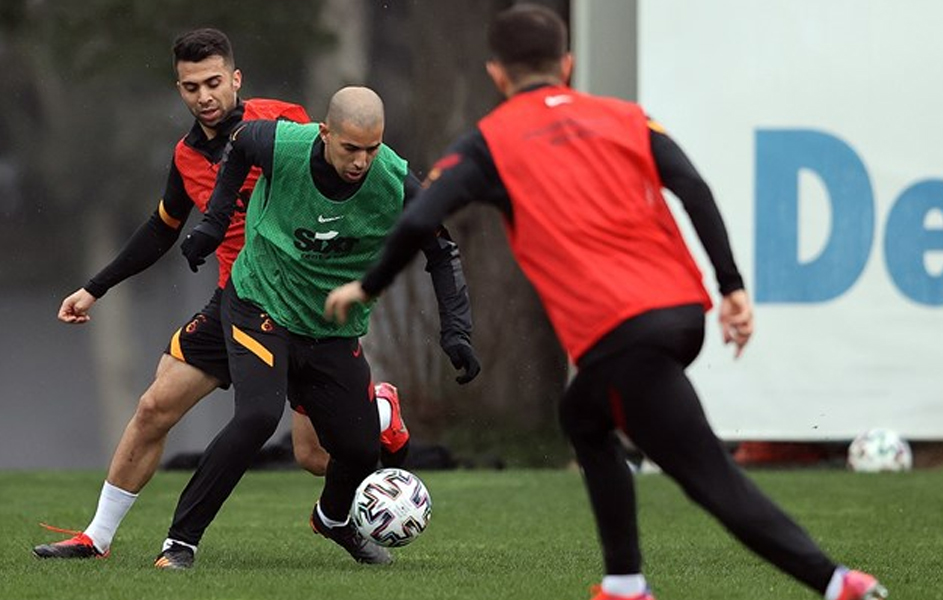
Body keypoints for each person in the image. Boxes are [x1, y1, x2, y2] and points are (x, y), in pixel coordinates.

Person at [324, 5, 888, 600]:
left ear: (496, 73)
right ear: (565, 65)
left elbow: (421, 217)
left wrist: (368, 285)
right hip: (678, 312)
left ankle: (833, 582)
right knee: (583, 415)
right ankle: (624, 584)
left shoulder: (490, 142)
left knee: (707, 477)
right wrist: (731, 287)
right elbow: (693, 187)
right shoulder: (626, 116)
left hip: (623, 332)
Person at [32, 29, 411, 561]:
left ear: (236, 79)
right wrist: (94, 288)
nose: (204, 96)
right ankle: (96, 537)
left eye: (213, 82)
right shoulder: (187, 156)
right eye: (191, 87)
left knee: (313, 454)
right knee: (154, 407)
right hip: (238, 303)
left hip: (300, 308)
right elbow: (161, 230)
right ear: (179, 89)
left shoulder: (282, 122)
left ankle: (375, 416)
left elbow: (339, 180)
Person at [155, 85, 479, 570]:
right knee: (257, 418)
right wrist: (213, 224)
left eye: (372, 149)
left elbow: (441, 250)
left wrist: (456, 331)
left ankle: (332, 519)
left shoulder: (395, 181)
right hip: (259, 303)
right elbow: (240, 142)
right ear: (325, 133)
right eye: (350, 148)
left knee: (357, 448)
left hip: (331, 327)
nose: (360, 162)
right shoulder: (284, 144)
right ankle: (181, 541)